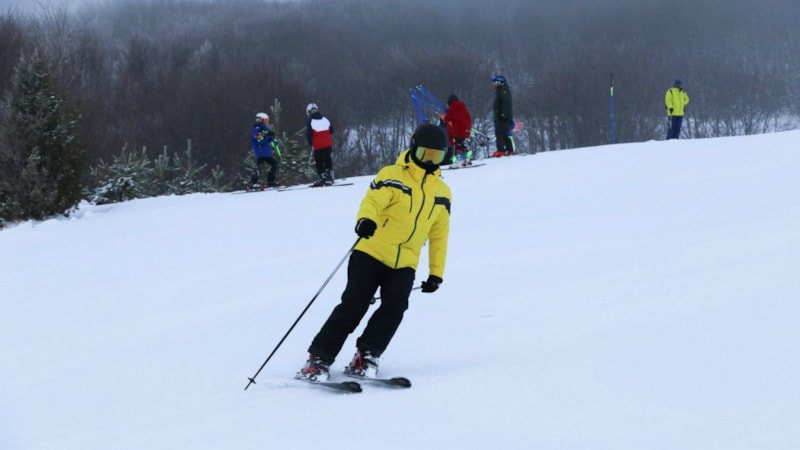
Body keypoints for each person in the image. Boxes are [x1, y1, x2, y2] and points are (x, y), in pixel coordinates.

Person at [297, 123, 453, 382]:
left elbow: (439, 235)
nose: (430, 161)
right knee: (354, 305)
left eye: (436, 157)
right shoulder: (392, 175)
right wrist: (366, 220)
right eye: (425, 154)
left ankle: (366, 354)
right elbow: (373, 201)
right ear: (414, 148)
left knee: (395, 307)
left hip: (405, 262)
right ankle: (319, 357)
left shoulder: (442, 193)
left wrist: (436, 272)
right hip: (370, 252)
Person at [305, 102, 335, 186]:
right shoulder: (325, 119)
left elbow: (309, 134)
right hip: (328, 144)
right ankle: (329, 176)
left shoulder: (310, 121)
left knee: (319, 162)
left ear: (308, 112)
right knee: (327, 159)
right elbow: (331, 130)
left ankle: (322, 177)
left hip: (318, 145)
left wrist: (311, 144)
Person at [250, 112, 281, 189]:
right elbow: (259, 139)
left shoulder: (264, 129)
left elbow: (268, 139)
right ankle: (253, 183)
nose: (266, 122)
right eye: (265, 120)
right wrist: (268, 136)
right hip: (260, 151)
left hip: (266, 152)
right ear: (261, 120)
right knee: (260, 166)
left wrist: (273, 140)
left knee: (274, 164)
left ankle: (270, 181)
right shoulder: (256, 128)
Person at [441, 94, 473, 167]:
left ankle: (458, 162)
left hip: (458, 131)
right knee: (464, 145)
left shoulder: (452, 109)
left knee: (457, 146)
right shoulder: (463, 108)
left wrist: (443, 117)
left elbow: (446, 119)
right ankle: (467, 159)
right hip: (467, 130)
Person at [491, 74, 515, 157]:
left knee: (499, 133)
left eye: (495, 82)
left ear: (500, 82)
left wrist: (503, 114)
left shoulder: (503, 91)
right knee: (504, 133)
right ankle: (509, 149)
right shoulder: (500, 91)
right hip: (500, 116)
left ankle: (501, 150)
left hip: (502, 117)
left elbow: (506, 103)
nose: (493, 84)